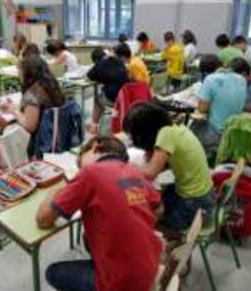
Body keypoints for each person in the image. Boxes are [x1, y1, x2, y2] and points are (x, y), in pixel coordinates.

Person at [37, 136, 162, 291]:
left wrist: (53, 192)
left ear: (95, 147)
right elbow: (159, 209)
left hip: (125, 283)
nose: (79, 171)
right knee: (88, 238)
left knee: (53, 273)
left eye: (79, 165)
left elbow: (43, 219)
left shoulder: (90, 172)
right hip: (150, 266)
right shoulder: (135, 171)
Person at [123, 102, 214, 231]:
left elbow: (150, 173)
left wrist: (124, 165)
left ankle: (170, 240)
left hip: (195, 204)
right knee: (159, 197)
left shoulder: (165, 135)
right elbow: (167, 163)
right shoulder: (174, 127)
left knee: (147, 219)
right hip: (205, 196)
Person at [0, 55, 65, 157]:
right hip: (56, 133)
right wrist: (16, 108)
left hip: (38, 141)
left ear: (28, 73)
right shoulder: (50, 86)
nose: (18, 74)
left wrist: (14, 111)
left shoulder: (32, 94)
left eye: (19, 71)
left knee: (6, 131)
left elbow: (30, 126)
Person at [193, 54, 247, 153]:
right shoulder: (241, 79)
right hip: (235, 131)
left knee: (191, 128)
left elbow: (202, 109)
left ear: (206, 72)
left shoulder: (210, 79)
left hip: (217, 134)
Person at [87, 48, 129, 134]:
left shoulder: (100, 64)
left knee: (98, 101)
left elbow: (90, 75)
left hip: (113, 97)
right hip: (125, 95)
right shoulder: (118, 60)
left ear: (95, 60)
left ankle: (94, 125)